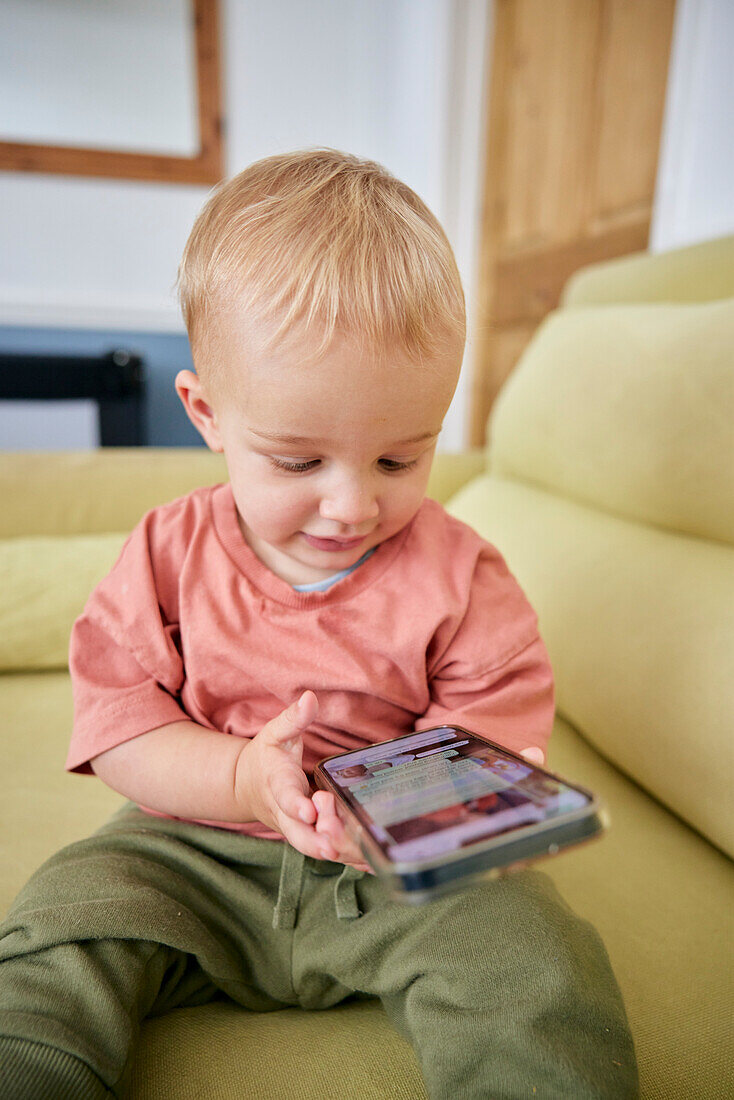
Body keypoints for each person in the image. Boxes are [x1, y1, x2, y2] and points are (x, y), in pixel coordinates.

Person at [0, 149, 638, 1099]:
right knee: (56, 925)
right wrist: (239, 780)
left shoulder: (464, 576)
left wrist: (418, 818)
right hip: (193, 846)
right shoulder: (166, 553)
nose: (351, 506)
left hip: (394, 874)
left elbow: (493, 736)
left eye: (396, 459)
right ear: (207, 414)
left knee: (537, 958)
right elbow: (123, 728)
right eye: (297, 462)